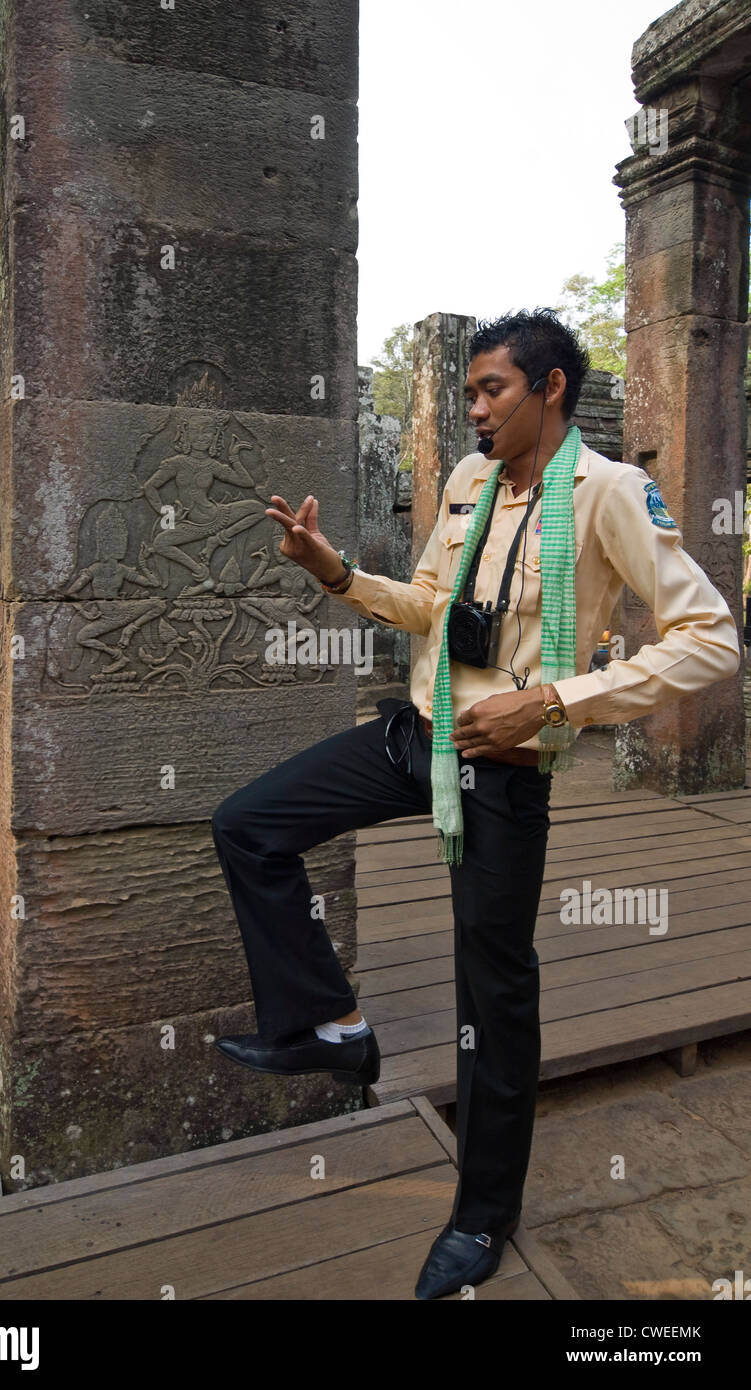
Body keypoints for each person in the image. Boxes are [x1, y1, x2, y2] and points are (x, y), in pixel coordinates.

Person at [210, 308, 741, 1300]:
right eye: (465, 393)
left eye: (490, 389)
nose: (473, 409)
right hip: (418, 735)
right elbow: (428, 601)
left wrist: (557, 700)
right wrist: (333, 572)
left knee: (490, 999)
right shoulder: (466, 481)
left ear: (549, 390)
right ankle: (329, 1023)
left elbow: (710, 639)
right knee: (248, 823)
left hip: (500, 767)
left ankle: (480, 1217)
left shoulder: (608, 492)